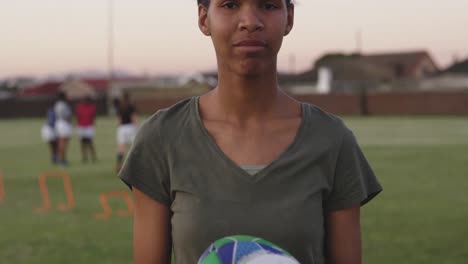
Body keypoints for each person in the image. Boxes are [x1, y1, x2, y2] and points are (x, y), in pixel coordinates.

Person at [119, 1, 382, 263]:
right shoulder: (163, 138)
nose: (250, 21)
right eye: (231, 5)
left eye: (268, 5)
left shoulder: (331, 140)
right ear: (203, 18)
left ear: (289, 18)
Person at [115, 92, 138, 172]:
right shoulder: (131, 106)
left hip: (121, 128)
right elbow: (133, 119)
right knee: (133, 148)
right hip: (130, 127)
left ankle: (118, 165)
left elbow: (119, 120)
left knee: (121, 148)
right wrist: (138, 127)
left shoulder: (119, 107)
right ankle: (132, 167)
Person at [75, 96, 98, 163]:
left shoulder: (92, 107)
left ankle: (93, 156)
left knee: (90, 142)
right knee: (82, 143)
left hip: (89, 126)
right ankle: (84, 157)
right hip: (81, 126)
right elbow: (77, 116)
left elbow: (93, 116)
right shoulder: (79, 107)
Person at [54, 91, 73, 166]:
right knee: (63, 142)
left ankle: (62, 159)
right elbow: (67, 116)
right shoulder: (62, 105)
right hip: (63, 123)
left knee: (62, 142)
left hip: (60, 123)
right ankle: (61, 159)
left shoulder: (58, 104)